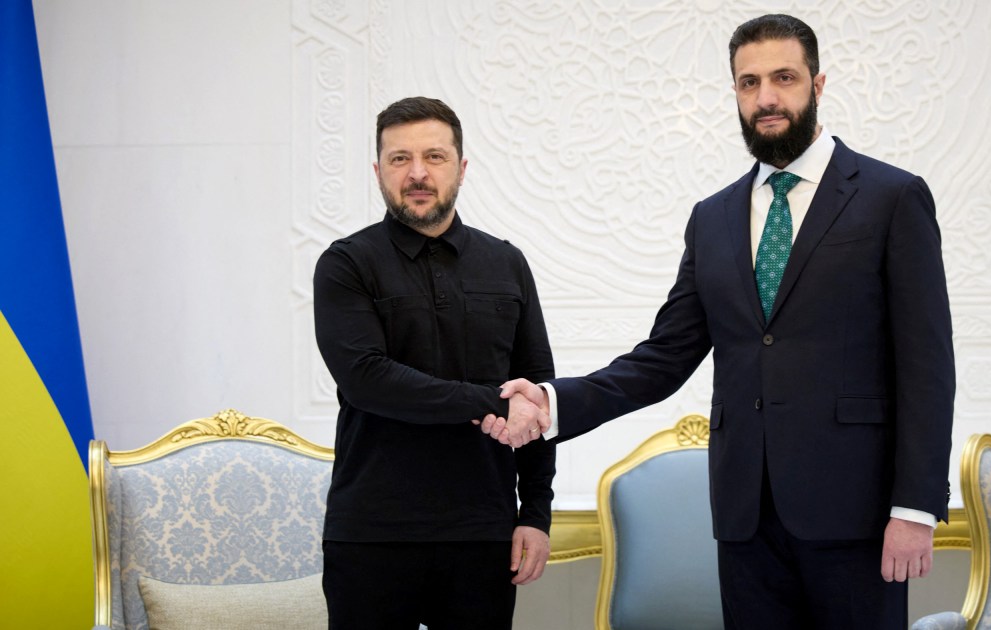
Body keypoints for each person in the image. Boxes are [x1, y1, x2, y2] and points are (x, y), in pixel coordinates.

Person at [479, 14, 955, 629]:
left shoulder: (892, 197)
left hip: (857, 515)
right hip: (744, 518)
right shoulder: (713, 217)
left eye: (784, 78)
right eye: (749, 82)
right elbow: (664, 357)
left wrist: (915, 507)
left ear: (818, 84)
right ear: (735, 91)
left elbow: (927, 366)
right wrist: (552, 402)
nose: (767, 97)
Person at [313, 96, 555, 630]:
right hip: (372, 534)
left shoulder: (507, 263)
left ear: (461, 168)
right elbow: (368, 380)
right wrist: (494, 401)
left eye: (434, 157)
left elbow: (538, 394)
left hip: (484, 533)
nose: (417, 173)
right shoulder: (346, 263)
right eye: (400, 158)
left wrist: (535, 514)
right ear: (378, 171)